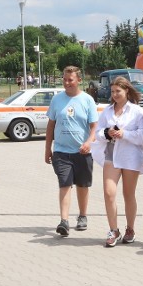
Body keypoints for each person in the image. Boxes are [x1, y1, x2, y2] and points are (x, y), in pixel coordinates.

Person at [91, 76, 143, 247]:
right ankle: (113, 230)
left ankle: (130, 229)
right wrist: (107, 133)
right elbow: (98, 133)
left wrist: (125, 134)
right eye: (112, 91)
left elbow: (142, 136)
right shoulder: (107, 111)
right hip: (111, 155)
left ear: (126, 91)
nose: (114, 94)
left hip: (130, 157)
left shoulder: (138, 112)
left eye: (118, 91)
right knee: (109, 193)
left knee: (128, 194)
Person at [45, 65, 98, 236]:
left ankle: (82, 216)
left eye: (70, 80)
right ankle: (64, 221)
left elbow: (94, 127)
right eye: (65, 80)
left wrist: (89, 142)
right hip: (61, 151)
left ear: (79, 80)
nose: (67, 83)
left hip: (82, 152)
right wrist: (48, 149)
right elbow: (51, 125)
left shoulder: (87, 100)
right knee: (65, 183)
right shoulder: (56, 100)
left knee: (82, 185)